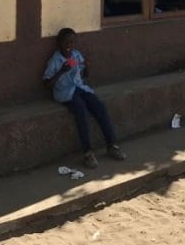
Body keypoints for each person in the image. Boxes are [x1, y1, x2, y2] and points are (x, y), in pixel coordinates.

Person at [43, 28, 126, 168]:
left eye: (72, 42)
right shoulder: (55, 61)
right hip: (65, 93)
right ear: (59, 43)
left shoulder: (76, 55)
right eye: (66, 42)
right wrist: (61, 72)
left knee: (100, 107)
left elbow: (84, 75)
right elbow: (47, 84)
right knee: (81, 111)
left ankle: (112, 145)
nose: (69, 45)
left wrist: (86, 67)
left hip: (80, 88)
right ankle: (88, 153)